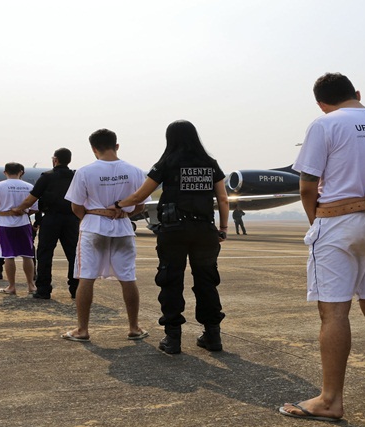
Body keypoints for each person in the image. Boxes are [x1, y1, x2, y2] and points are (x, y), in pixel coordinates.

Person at [277, 73, 365, 423]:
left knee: (334, 313)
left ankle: (330, 399)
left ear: (321, 102)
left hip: (339, 221)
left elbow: (307, 186)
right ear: (358, 94)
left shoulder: (324, 124)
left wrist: (315, 222)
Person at [114, 120, 229, 354]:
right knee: (207, 282)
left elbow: (141, 194)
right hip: (204, 231)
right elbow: (223, 199)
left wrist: (119, 204)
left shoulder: (167, 162)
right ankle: (212, 336)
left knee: (171, 281)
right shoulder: (210, 164)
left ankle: (173, 339)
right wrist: (223, 228)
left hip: (174, 231)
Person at [62, 129, 148, 342]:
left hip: (93, 226)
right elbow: (140, 206)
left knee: (86, 278)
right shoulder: (135, 171)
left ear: (93, 149)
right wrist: (121, 212)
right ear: (116, 146)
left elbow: (76, 206)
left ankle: (82, 330)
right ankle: (134, 328)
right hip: (123, 226)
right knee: (127, 277)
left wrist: (93, 215)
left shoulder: (84, 172)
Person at [12, 148, 80, 300]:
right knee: (73, 254)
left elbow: (32, 199)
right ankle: (76, 289)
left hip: (51, 218)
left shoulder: (47, 176)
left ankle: (43, 289)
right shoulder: (76, 176)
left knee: (45, 253)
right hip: (71, 219)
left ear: (55, 159)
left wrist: (18, 209)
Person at [0, 163, 38, 295]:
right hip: (23, 223)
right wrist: (23, 212)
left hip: (4, 224)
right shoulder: (29, 186)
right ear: (22, 172)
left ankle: (12, 286)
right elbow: (35, 207)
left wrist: (2, 213)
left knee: (8, 255)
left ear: (5, 172)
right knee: (27, 255)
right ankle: (31, 285)